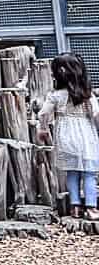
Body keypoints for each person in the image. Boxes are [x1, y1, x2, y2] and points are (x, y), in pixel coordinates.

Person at [36, 53, 99, 218]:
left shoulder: (55, 95)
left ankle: (75, 207)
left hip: (65, 136)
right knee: (89, 173)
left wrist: (42, 129)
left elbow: (43, 114)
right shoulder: (87, 94)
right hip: (86, 136)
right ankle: (91, 208)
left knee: (72, 172)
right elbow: (96, 114)